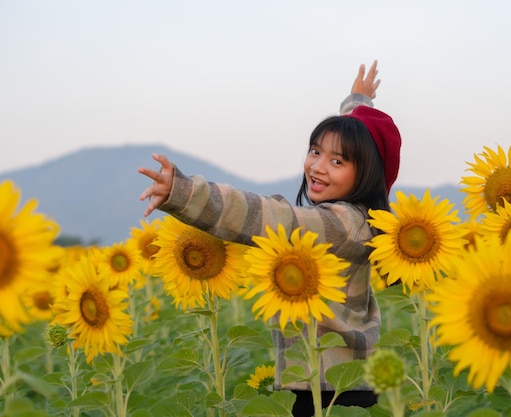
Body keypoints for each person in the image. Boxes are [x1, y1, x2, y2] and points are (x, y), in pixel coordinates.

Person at [138, 61, 402, 416]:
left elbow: (269, 217)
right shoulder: (358, 219)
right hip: (327, 381)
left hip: (330, 391)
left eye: (337, 161)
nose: (318, 166)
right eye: (315, 151)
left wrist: (186, 194)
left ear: (367, 173)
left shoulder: (343, 225)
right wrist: (358, 102)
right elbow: (364, 139)